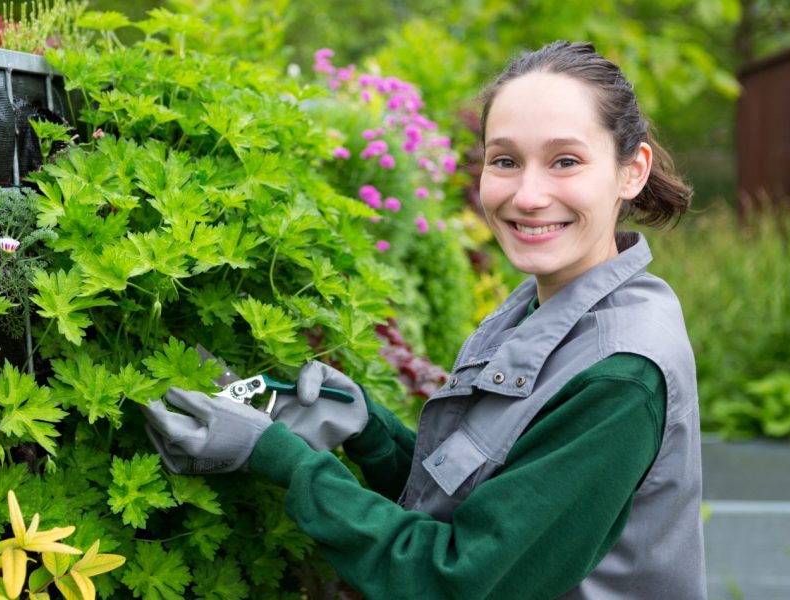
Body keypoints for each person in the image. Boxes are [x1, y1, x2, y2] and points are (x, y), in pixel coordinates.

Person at [144, 41, 706, 599]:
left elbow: (456, 580)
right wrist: (370, 431)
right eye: (505, 161)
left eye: (565, 161)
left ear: (631, 172)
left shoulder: (619, 375)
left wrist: (277, 456)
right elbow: (490, 505)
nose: (529, 195)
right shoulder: (549, 305)